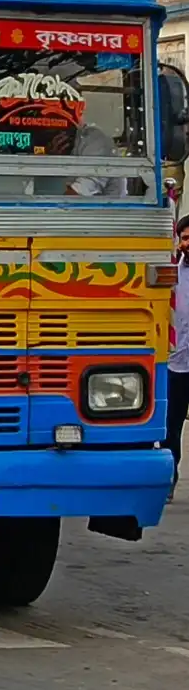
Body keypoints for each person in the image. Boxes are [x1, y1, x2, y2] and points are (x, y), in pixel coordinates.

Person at [165, 214, 189, 502]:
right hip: (178, 363)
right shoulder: (173, 272)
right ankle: (170, 479)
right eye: (184, 238)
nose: (188, 243)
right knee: (172, 426)